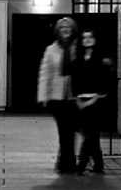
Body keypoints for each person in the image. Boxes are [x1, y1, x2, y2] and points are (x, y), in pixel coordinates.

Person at [37, 17, 79, 174]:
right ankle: (68, 163)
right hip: (57, 97)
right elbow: (45, 73)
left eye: (68, 27)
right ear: (58, 31)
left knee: (71, 130)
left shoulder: (77, 47)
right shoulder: (51, 50)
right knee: (64, 130)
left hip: (74, 96)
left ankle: (65, 161)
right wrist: (43, 96)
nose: (65, 29)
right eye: (62, 28)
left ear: (73, 29)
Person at [71, 29, 109, 174]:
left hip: (96, 101)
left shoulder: (101, 60)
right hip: (81, 101)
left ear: (95, 39)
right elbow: (74, 82)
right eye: (84, 37)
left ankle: (81, 164)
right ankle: (98, 164)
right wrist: (77, 100)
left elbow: (105, 82)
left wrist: (94, 99)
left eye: (90, 37)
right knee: (92, 135)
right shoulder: (77, 61)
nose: (87, 39)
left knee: (90, 134)